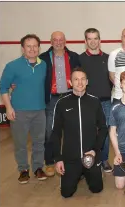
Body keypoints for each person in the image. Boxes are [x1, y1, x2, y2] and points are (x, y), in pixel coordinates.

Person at [52, 67, 107, 198]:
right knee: (66, 193)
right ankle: (76, 174)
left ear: (87, 81)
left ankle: (92, 171)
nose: (80, 82)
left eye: (83, 79)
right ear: (70, 82)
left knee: (96, 189)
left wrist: (95, 150)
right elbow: (55, 133)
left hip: (91, 156)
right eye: (76, 79)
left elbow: (103, 128)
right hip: (70, 158)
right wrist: (58, 159)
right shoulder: (62, 103)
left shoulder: (95, 102)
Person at [0, 34, 47, 184]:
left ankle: (38, 168)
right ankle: (23, 170)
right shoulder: (12, 66)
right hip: (19, 112)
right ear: (22, 48)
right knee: (20, 144)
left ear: (39, 48)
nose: (32, 49)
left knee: (39, 142)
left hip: (40, 110)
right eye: (28, 46)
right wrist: (8, 107)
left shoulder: (43, 65)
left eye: (35, 46)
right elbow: (3, 87)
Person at [39, 31, 80, 177]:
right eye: (55, 40)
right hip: (52, 99)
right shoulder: (42, 58)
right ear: (51, 42)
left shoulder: (74, 57)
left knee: (73, 130)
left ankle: (73, 161)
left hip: (70, 97)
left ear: (65, 41)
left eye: (61, 39)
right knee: (50, 132)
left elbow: (80, 76)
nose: (58, 42)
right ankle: (50, 162)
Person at [79, 28, 113, 173]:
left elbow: (112, 79)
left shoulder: (108, 57)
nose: (93, 42)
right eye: (90, 39)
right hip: (87, 102)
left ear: (100, 40)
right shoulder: (80, 59)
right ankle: (88, 159)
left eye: (95, 38)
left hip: (105, 102)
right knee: (87, 132)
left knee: (104, 133)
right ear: (85, 41)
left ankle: (103, 159)